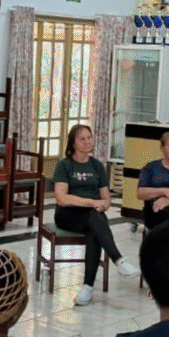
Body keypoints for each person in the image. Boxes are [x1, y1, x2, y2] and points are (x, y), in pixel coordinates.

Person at [52, 124, 138, 308]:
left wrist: (104, 204)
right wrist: (91, 202)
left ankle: (88, 288)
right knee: (94, 219)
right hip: (67, 214)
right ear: (73, 143)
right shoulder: (64, 165)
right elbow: (62, 198)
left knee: (94, 228)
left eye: (89, 138)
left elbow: (106, 197)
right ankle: (119, 260)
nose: (87, 142)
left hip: (91, 215)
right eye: (82, 139)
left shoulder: (97, 166)